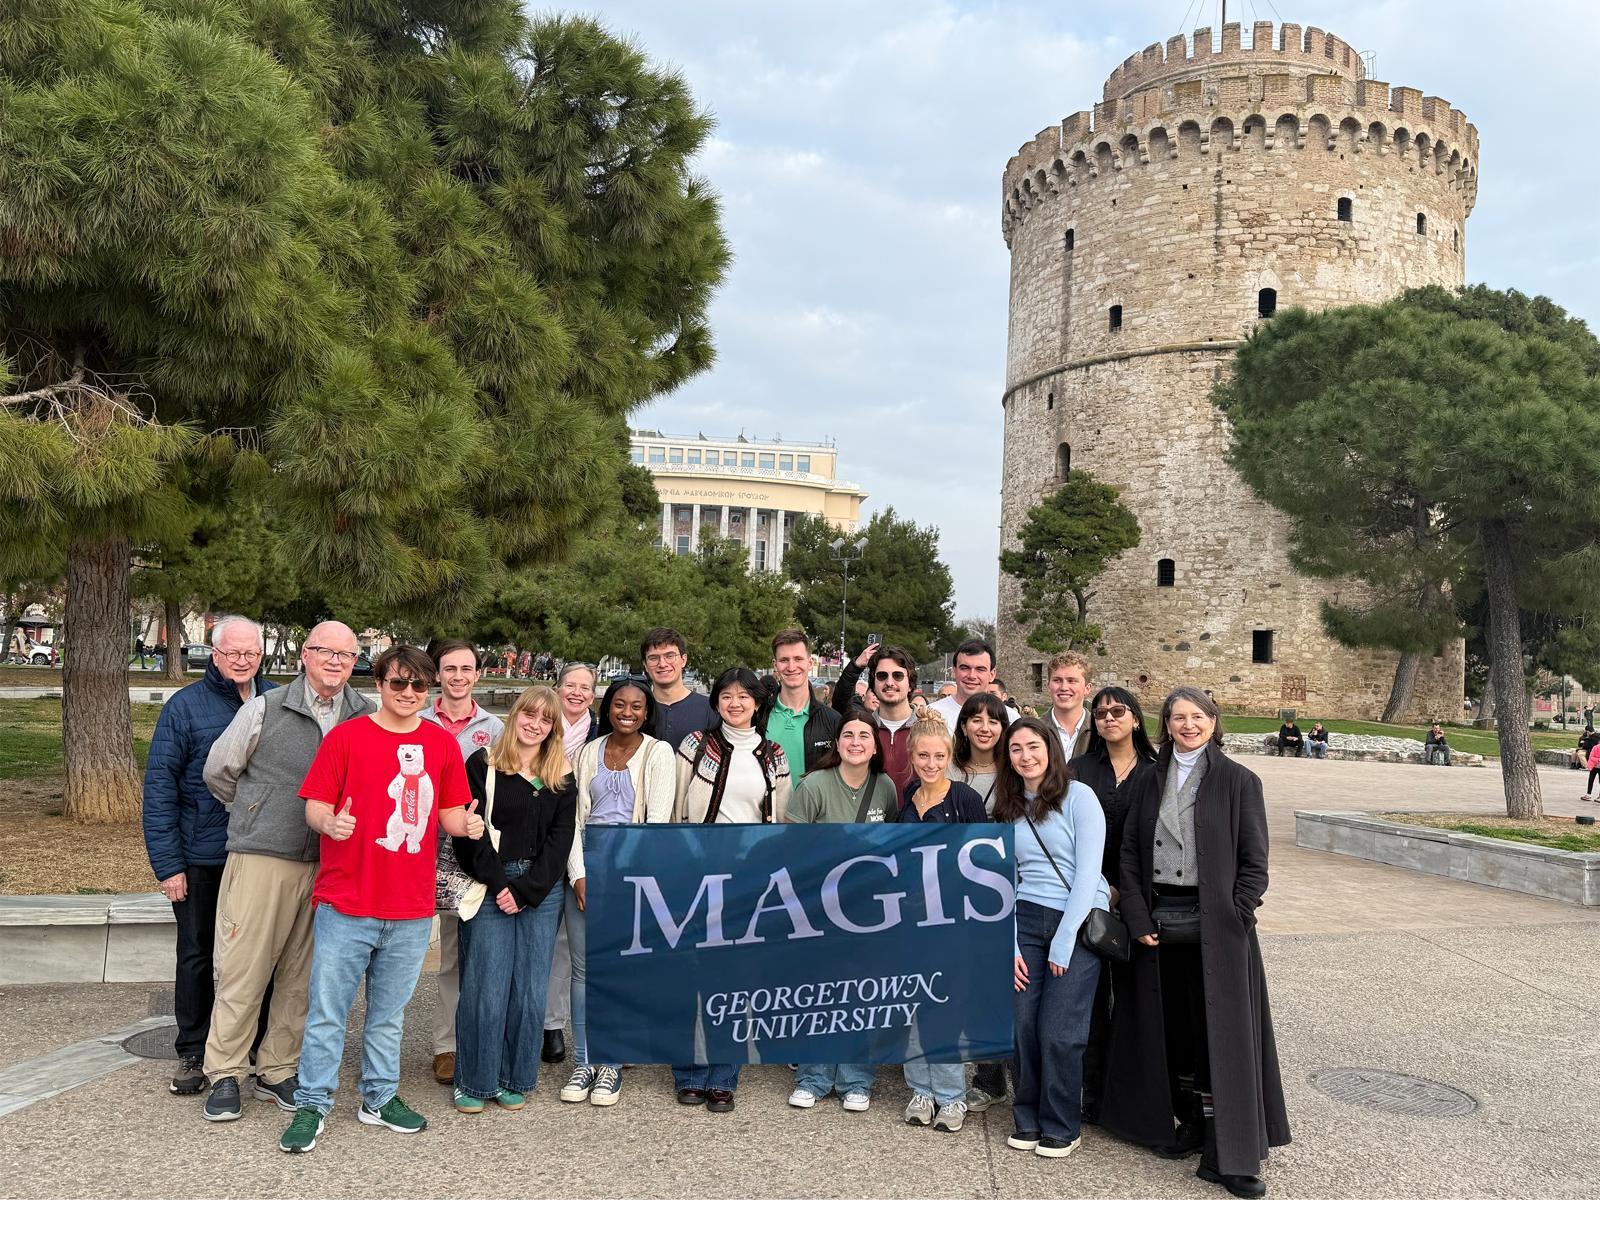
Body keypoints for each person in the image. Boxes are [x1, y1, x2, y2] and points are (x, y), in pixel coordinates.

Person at [279, 645, 481, 1154]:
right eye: (398, 683)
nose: (408, 693)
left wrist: (469, 824)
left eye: (418, 685)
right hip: (347, 902)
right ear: (379, 684)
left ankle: (379, 1096)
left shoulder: (440, 746)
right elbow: (315, 806)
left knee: (388, 1014)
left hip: (410, 907)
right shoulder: (347, 738)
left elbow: (450, 815)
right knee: (328, 1010)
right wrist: (329, 821)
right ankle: (312, 1102)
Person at [1101, 687, 1290, 1199]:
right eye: (1178, 717)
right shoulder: (1148, 779)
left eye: (1197, 717)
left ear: (1213, 721)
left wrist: (1237, 911)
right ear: (1165, 724)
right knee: (1174, 1031)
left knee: (1220, 1035)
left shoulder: (1238, 781)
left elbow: (1255, 860)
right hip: (1159, 918)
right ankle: (1186, 1123)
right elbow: (1131, 855)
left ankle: (1228, 1150)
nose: (1188, 725)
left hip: (1218, 926)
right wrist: (1137, 913)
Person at [198, 621, 374, 1123]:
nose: (336, 662)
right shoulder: (266, 708)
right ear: (304, 654)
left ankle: (277, 1069)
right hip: (263, 859)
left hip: (329, 864)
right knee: (243, 969)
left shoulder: (364, 715)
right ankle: (225, 1071)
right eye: (325, 651)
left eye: (346, 654)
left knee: (303, 976)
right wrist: (259, 811)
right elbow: (219, 771)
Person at [141, 615, 276, 1097]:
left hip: (261, 855)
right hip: (200, 857)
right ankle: (194, 1050)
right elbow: (159, 790)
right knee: (197, 955)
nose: (243, 661)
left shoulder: (276, 702)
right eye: (232, 653)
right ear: (213, 654)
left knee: (260, 957)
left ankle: (257, 1047)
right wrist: (169, 866)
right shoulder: (184, 708)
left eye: (251, 653)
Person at [672, 667, 792, 1111]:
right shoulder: (695, 747)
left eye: (744, 696)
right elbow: (675, 809)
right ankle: (689, 1072)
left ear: (758, 703)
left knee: (736, 980)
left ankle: (724, 1075)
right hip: (696, 871)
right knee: (690, 974)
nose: (735, 703)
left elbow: (779, 823)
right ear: (717, 701)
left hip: (750, 880)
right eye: (727, 695)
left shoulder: (773, 754)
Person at [450, 686, 575, 1115]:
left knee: (528, 988)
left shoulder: (561, 777)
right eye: (529, 714)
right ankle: (475, 1079)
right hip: (489, 882)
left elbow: (560, 844)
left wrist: (525, 892)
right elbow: (468, 834)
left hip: (541, 890)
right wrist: (502, 885)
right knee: (486, 985)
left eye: (545, 720)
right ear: (515, 714)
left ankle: (514, 1077)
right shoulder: (481, 766)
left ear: (553, 729)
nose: (534, 724)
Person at [992, 717, 1108, 1161]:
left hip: (1073, 922)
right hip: (1024, 918)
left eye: (1033, 746)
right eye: (1016, 748)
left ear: (1050, 750)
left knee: (1060, 1031)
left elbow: (1087, 872)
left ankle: (1062, 1123)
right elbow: (1003, 880)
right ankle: (1028, 1116)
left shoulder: (1081, 798)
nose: (1025, 755)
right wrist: (1010, 943)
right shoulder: (1007, 805)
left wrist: (1065, 938)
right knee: (1022, 1025)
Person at [559, 676, 675, 1108]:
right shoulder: (589, 751)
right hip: (588, 869)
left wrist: (632, 879)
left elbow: (657, 822)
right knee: (584, 970)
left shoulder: (658, 753)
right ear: (607, 708)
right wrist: (579, 875)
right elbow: (573, 820)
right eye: (619, 704)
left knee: (621, 969)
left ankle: (611, 1062)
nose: (627, 712)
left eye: (636, 706)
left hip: (632, 874)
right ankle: (585, 1060)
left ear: (647, 712)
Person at [783, 709, 899, 1113]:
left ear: (874, 744)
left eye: (863, 735)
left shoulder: (884, 788)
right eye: (847, 734)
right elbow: (793, 848)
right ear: (837, 743)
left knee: (860, 994)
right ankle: (813, 1077)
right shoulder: (814, 785)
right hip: (818, 904)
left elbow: (891, 849)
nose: (855, 742)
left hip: (866, 908)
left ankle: (856, 1078)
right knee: (818, 990)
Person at [1067, 686, 1159, 1125]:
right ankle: (1091, 1088)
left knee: (1135, 1000)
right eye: (1100, 712)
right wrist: (1096, 889)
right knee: (1090, 998)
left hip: (1141, 898)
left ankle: (1130, 1093)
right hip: (1086, 894)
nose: (1108, 718)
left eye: (1117, 710)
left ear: (1136, 718)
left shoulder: (1157, 772)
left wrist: (1125, 891)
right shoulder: (1081, 769)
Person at [417, 641, 505, 1087]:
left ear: (477, 674)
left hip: (463, 858)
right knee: (399, 953)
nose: (457, 676)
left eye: (466, 668)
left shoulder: (495, 729)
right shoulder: (415, 718)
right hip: (411, 850)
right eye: (449, 668)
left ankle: (448, 1046)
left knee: (454, 956)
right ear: (437, 674)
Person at [897, 709, 987, 1133]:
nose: (930, 764)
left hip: (953, 919)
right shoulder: (908, 797)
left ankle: (951, 1095)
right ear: (912, 756)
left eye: (938, 757)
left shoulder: (964, 800)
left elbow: (984, 861)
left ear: (950, 756)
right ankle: (921, 1089)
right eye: (923, 757)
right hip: (911, 919)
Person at [544, 661, 599, 1065]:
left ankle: (563, 1025)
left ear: (593, 694)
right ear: (558, 687)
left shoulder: (601, 735)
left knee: (571, 945)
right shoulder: (540, 723)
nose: (576, 692)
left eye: (585, 687)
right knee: (543, 939)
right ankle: (544, 1024)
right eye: (570, 685)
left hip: (582, 841)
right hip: (540, 838)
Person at [831, 644, 920, 797]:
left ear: (910, 683)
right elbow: (839, 703)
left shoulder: (929, 727)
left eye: (897, 676)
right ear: (873, 683)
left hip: (917, 818)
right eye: (882, 676)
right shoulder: (863, 728)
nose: (890, 683)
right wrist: (855, 666)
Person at [766, 628, 841, 783]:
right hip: (767, 807)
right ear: (775, 665)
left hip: (814, 808)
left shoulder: (833, 721)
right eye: (784, 660)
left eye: (798, 659)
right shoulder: (758, 716)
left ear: (810, 663)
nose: (791, 667)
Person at [641, 627, 717, 750]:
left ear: (683, 660)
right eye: (654, 658)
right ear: (645, 665)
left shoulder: (710, 710)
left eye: (670, 656)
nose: (662, 664)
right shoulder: (635, 711)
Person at [929, 638, 1020, 734]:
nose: (972, 675)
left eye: (980, 669)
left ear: (992, 675)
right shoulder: (931, 715)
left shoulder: (1011, 719)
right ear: (954, 671)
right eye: (965, 668)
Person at [949, 691, 1008, 816]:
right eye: (977, 720)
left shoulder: (1012, 770)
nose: (985, 728)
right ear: (964, 727)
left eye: (993, 722)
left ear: (1002, 729)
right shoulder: (947, 770)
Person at [1041, 652, 1094, 759]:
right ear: (1048, 686)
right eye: (1057, 680)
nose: (1064, 687)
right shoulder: (1035, 730)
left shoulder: (1100, 731)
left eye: (1072, 681)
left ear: (1087, 688)